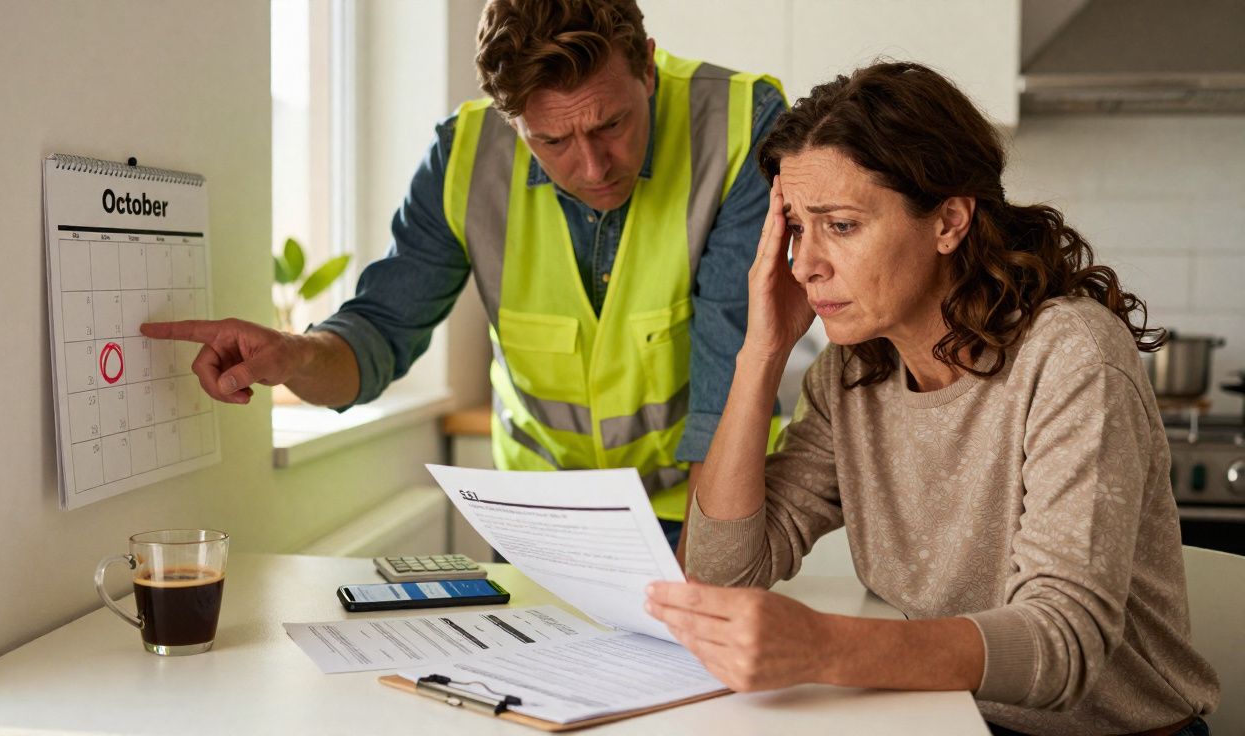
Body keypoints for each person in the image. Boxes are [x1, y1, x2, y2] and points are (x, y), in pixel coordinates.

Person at [644, 62, 1220, 735]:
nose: (803, 265)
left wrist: (826, 646)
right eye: (797, 228)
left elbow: (1063, 642)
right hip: (950, 719)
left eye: (841, 225)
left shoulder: (1070, 355)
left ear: (948, 221)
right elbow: (720, 576)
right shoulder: (850, 375)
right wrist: (760, 353)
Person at [140, 0, 786, 553]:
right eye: (552, 142)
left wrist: (698, 583)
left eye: (611, 124)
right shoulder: (465, 157)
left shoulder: (738, 126)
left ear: (647, 65)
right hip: (540, 520)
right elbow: (378, 336)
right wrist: (295, 355)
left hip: (695, 505)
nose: (592, 167)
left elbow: (727, 385)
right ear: (511, 119)